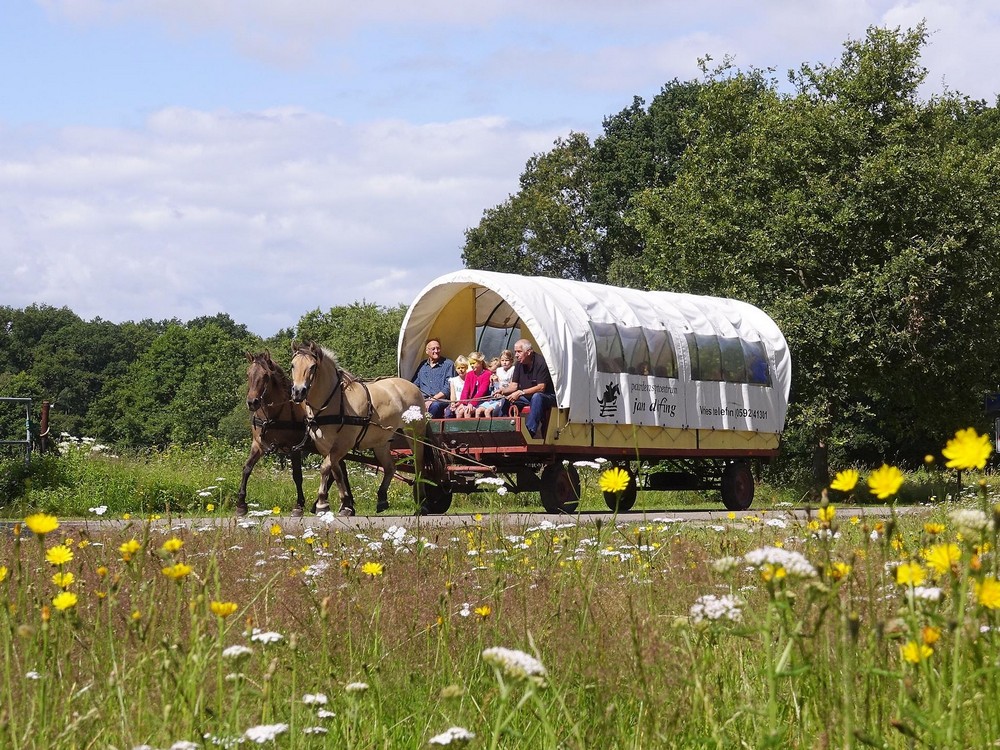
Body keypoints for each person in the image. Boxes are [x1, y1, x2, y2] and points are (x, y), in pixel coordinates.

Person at [503, 339, 556, 438]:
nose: (516, 355)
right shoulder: (518, 364)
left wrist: (520, 392)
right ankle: (504, 430)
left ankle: (529, 432)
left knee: (537, 397)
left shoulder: (541, 362)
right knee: (505, 400)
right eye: (515, 352)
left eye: (519, 351)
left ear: (529, 352)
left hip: (548, 397)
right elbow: (514, 385)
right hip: (527, 396)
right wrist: (502, 391)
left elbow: (541, 388)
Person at [411, 338, 455, 418]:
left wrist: (431, 400)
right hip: (423, 399)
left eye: (438, 348)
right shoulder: (422, 366)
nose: (436, 351)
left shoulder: (448, 364)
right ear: (427, 351)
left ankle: (428, 427)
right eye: (433, 349)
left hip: (440, 400)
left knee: (434, 406)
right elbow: (414, 385)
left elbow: (447, 389)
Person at [476, 349, 514, 417]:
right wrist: (493, 383)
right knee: (478, 411)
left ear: (511, 361)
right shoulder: (499, 370)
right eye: (502, 360)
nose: (504, 362)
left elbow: (512, 386)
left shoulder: (513, 370)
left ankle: (491, 427)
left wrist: (502, 394)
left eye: (507, 360)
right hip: (495, 397)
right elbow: (496, 386)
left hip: (505, 397)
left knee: (488, 411)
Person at [454, 351, 492, 418]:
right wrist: (462, 403)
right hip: (470, 401)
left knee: (467, 412)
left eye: (473, 363)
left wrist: (472, 403)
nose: (472, 365)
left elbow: (482, 392)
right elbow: (465, 390)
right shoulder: (469, 374)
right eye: (470, 364)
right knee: (459, 412)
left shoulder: (487, 374)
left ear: (480, 362)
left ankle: (472, 428)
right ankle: (460, 428)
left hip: (482, 401)